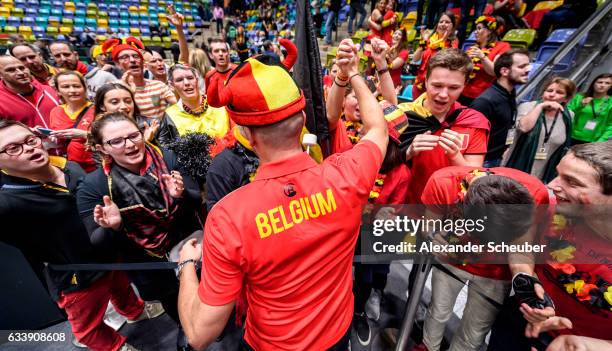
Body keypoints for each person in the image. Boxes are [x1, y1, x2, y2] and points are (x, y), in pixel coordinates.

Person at [177, 40, 388, 350]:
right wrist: (353, 72)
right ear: (302, 121)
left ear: (246, 135)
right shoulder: (347, 174)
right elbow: (378, 128)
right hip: (336, 337)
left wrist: (185, 266)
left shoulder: (229, 216)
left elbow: (199, 333)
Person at [0, 119, 153, 351]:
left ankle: (135, 312)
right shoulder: (8, 203)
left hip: (107, 254)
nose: (30, 148)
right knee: (88, 328)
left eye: (30, 140)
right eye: (13, 148)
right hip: (77, 277)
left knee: (122, 288)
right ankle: (115, 347)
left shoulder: (69, 167)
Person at [76, 112, 202, 351]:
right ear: (102, 148)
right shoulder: (94, 186)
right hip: (148, 263)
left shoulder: (170, 158)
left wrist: (182, 195)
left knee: (207, 290)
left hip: (189, 245)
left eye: (133, 135)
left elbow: (197, 202)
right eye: (117, 141)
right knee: (172, 301)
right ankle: (189, 329)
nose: (130, 144)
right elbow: (98, 243)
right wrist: (113, 227)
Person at [326, 38, 410, 346]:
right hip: (339, 229)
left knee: (370, 272)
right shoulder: (346, 143)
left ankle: (361, 309)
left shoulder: (400, 171)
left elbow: (395, 210)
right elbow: (332, 116)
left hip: (373, 234)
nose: (364, 127)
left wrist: (378, 215)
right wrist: (344, 75)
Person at [488, 141, 612, 351]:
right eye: (558, 174)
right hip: (520, 326)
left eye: (572, 182)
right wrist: (524, 275)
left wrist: (591, 346)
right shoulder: (552, 209)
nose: (553, 185)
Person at [417, 165, 552, 351]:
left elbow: (521, 249)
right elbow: (428, 226)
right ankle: (427, 346)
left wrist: (524, 279)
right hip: (451, 260)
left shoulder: (535, 194)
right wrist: (434, 236)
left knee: (474, 331)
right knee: (438, 311)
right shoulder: (444, 182)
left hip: (496, 272)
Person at [398, 48, 491, 203]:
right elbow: (381, 166)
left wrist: (455, 156)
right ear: (425, 80)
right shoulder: (402, 115)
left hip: (450, 210)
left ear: (464, 85)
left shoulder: (474, 122)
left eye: (453, 88)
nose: (443, 94)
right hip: (404, 206)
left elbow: (474, 178)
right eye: (437, 85)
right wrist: (408, 152)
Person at [505, 77, 576, 183]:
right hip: (517, 165)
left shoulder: (569, 115)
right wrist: (540, 106)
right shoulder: (528, 107)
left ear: (566, 99)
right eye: (549, 90)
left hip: (544, 172)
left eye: (559, 92)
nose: (552, 94)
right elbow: (523, 128)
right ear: (543, 93)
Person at [470, 48, 530, 167]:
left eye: (528, 66)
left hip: (498, 158)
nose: (528, 70)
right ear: (504, 71)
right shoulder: (485, 101)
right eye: (522, 67)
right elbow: (471, 139)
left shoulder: (509, 93)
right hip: (484, 163)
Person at [102, 37, 177, 121]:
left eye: (136, 56)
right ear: (117, 64)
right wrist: (126, 90)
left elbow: (179, 105)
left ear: (143, 62)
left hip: (159, 133)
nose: (132, 60)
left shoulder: (159, 85)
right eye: (124, 57)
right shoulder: (111, 89)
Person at [93, 83, 175, 147]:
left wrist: (151, 141)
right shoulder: (98, 131)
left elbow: (167, 158)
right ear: (102, 106)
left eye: (128, 101)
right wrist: (145, 141)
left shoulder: (154, 125)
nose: (124, 106)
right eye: (115, 102)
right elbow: (103, 164)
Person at [165, 64, 230, 141]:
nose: (186, 83)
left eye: (190, 78)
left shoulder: (219, 102)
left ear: (197, 80)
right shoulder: (170, 116)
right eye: (179, 80)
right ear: (172, 85)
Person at [49, 71, 97, 172]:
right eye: (66, 87)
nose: (72, 90)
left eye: (76, 86)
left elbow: (111, 139)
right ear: (58, 91)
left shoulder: (98, 110)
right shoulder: (56, 111)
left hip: (96, 165)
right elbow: (57, 140)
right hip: (70, 166)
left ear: (84, 88)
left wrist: (84, 135)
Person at [460, 16, 511, 106]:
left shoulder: (503, 46)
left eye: (479, 28)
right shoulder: (472, 48)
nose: (475, 32)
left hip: (483, 98)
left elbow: (495, 72)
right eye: (475, 29)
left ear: (490, 30)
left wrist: (482, 57)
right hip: (463, 93)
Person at [0, 55, 59, 128]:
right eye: (11, 70)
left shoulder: (48, 90)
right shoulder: (1, 102)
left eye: (22, 68)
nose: (20, 73)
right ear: (1, 75)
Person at [412, 12, 459, 99]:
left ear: (452, 26)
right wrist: (423, 43)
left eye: (447, 22)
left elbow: (446, 62)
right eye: (441, 22)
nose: (443, 24)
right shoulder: (429, 39)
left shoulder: (453, 42)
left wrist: (443, 39)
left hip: (437, 87)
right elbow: (415, 59)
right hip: (420, 84)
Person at [49, 41, 117, 99]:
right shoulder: (55, 81)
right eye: (57, 56)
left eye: (67, 54)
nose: (63, 59)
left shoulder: (104, 76)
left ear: (76, 55)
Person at [568, 73, 612, 144]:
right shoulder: (580, 97)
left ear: (610, 86)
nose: (602, 85)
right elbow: (568, 114)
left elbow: (611, 125)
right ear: (593, 83)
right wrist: (580, 105)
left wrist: (600, 141)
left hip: (594, 140)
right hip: (571, 136)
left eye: (607, 83)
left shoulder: (610, 102)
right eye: (600, 82)